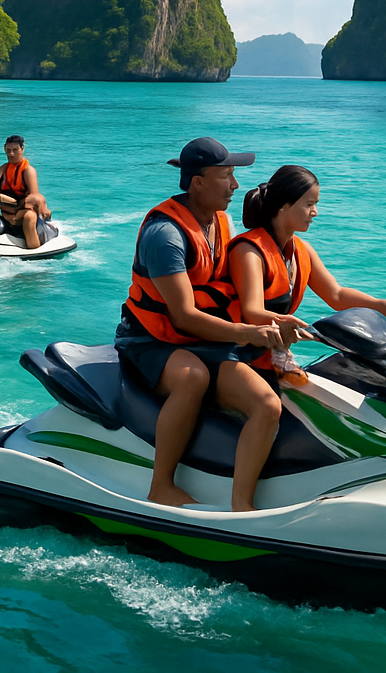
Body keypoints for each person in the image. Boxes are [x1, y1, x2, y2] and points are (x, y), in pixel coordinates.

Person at [115, 137, 298, 512]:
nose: (235, 185)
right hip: (152, 338)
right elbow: (182, 315)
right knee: (193, 377)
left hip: (207, 338)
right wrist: (248, 333)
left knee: (267, 403)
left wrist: (276, 322)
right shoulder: (165, 236)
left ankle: (241, 506)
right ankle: (161, 485)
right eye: (226, 175)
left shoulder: (221, 222)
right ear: (197, 182)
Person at [228, 164, 386, 386]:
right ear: (284, 205)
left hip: (273, 353)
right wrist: (290, 324)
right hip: (235, 354)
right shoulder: (250, 251)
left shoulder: (301, 250)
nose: (315, 212)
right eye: (309, 205)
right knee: (270, 406)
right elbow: (251, 312)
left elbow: (336, 295)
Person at [0, 135, 52, 250]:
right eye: (8, 150)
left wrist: (16, 213)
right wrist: (0, 197)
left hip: (22, 213)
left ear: (22, 149)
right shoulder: (3, 169)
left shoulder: (28, 171)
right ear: (4, 149)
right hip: (7, 213)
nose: (11, 154)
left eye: (15, 150)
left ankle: (34, 251)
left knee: (30, 216)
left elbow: (33, 200)